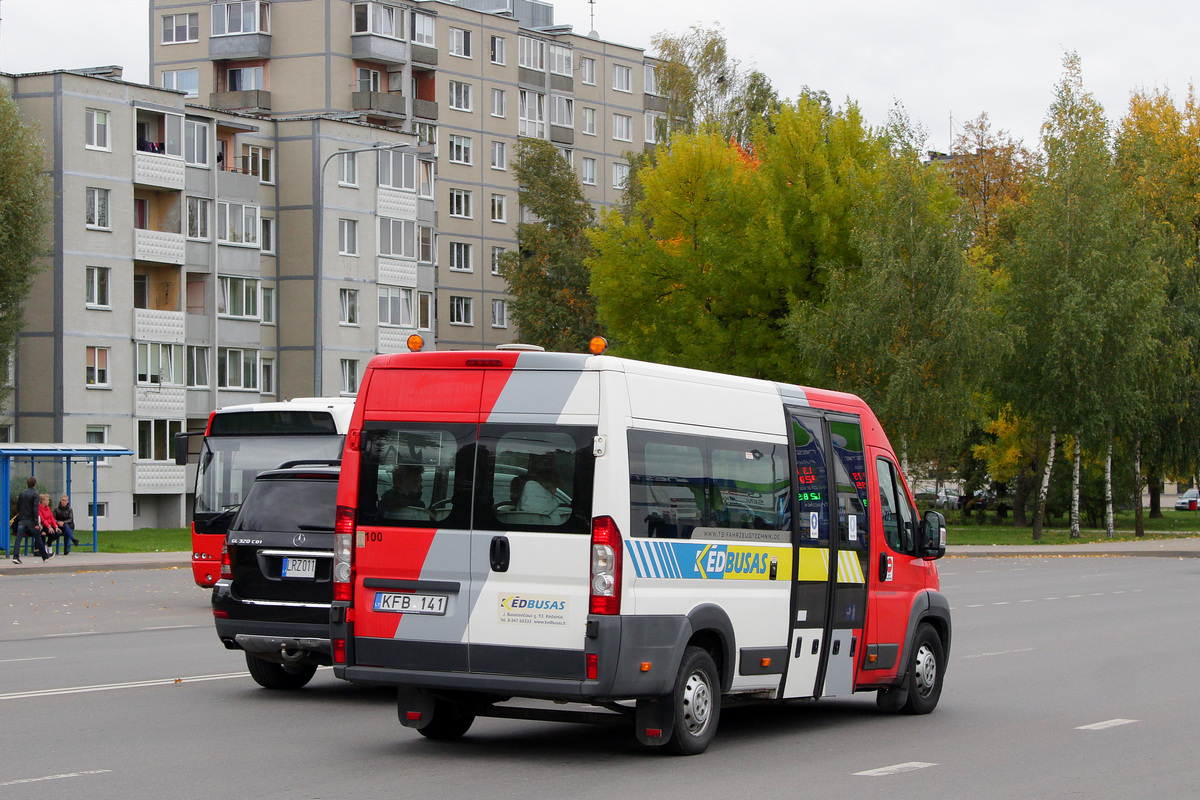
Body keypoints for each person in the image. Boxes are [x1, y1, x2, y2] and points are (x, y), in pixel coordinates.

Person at [11, 477, 52, 564]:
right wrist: (36, 522)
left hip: (22, 519)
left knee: (18, 538)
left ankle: (16, 556)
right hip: (31, 521)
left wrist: (21, 515)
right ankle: (45, 556)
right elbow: (35, 509)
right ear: (34, 484)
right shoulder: (35, 494)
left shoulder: (22, 493)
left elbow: (18, 506)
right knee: (38, 538)